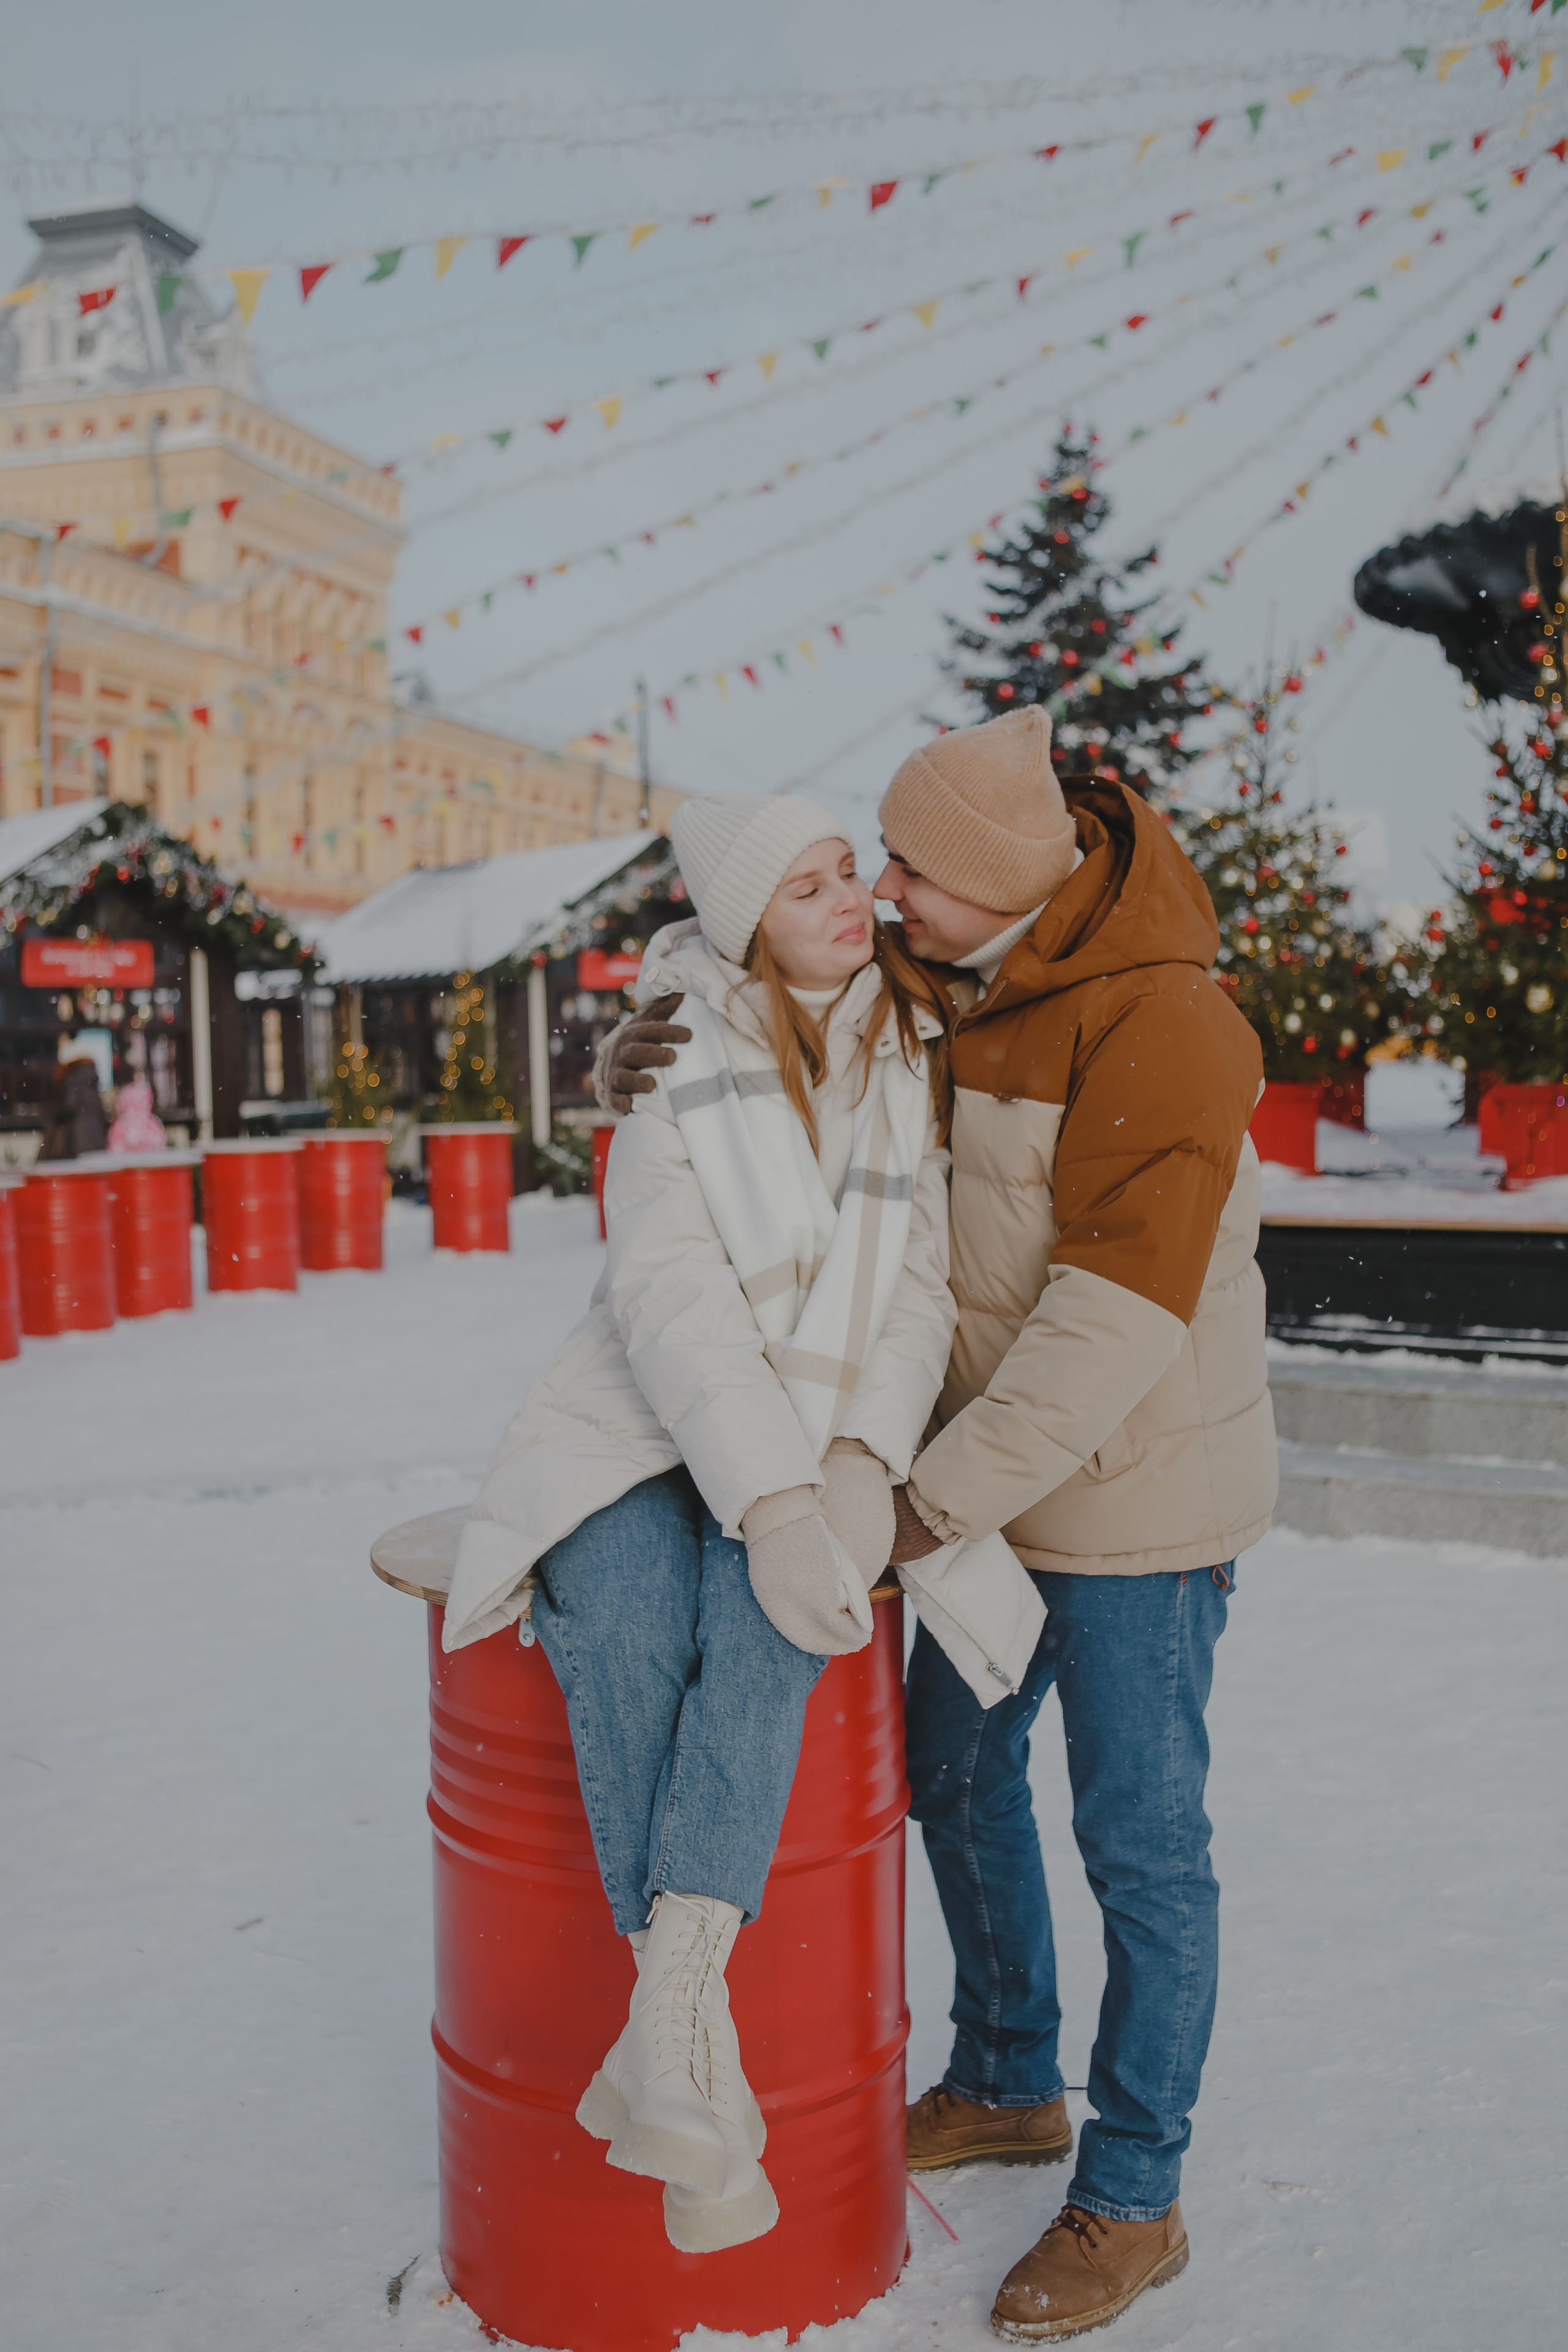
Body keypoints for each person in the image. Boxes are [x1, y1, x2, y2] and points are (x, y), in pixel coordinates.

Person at [603, 706, 1278, 2341]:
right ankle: (1005, 2073)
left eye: (909, 863)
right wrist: (645, 1038)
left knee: (1139, 1843)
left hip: (1124, 1503)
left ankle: (1134, 2191)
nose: (885, 890)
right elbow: (763, 982)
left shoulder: (1166, 1027)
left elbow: (1107, 1329)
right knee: (956, 1777)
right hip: (976, 1487)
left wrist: (912, 1504)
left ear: (1001, 871)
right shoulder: (951, 975)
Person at [442, 795, 958, 2258]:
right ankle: (687, 2037)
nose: (847, 898)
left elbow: (917, 1282)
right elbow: (668, 1298)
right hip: (642, 1417)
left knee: (769, 1620)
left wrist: (851, 1459)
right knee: (615, 1620)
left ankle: (667, 2037)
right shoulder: (671, 1048)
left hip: (817, 1419)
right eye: (804, 887)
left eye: (845, 870)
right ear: (743, 926)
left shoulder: (911, 1043)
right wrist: (770, 1493)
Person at [39, 1043, 108, 1160]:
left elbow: (69, 1106)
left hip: (77, 1138)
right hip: (97, 1136)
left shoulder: (72, 1077)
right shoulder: (92, 1079)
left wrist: (55, 1115)